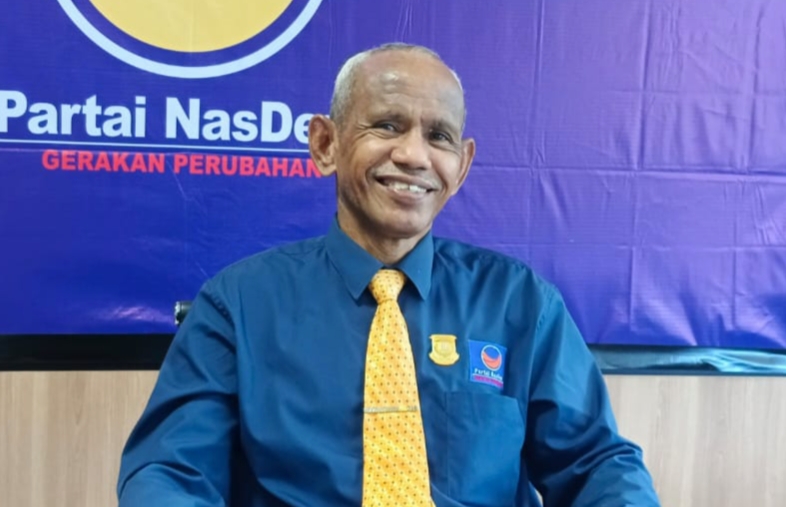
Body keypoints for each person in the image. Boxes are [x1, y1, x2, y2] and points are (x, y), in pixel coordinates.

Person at [117, 43, 661, 507]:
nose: (414, 155)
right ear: (325, 144)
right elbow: (169, 473)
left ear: (462, 165)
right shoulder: (237, 306)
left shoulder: (521, 305)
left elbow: (597, 464)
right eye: (387, 125)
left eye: (439, 136)